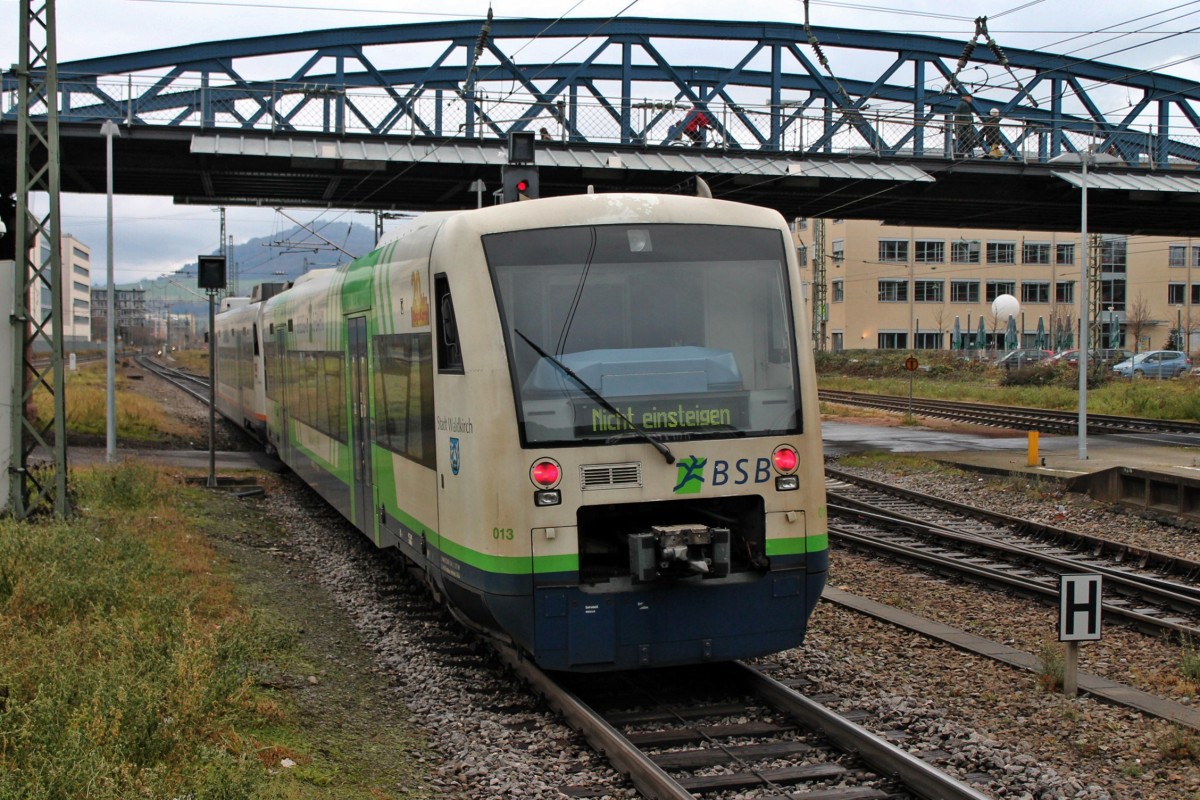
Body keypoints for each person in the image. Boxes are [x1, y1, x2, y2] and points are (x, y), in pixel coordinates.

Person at [953, 92, 977, 157]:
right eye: (970, 98)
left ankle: (955, 153)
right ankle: (971, 157)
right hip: (964, 130)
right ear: (966, 97)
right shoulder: (965, 105)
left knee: (961, 142)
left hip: (959, 129)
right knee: (966, 143)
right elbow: (966, 119)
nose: (971, 100)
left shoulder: (960, 104)